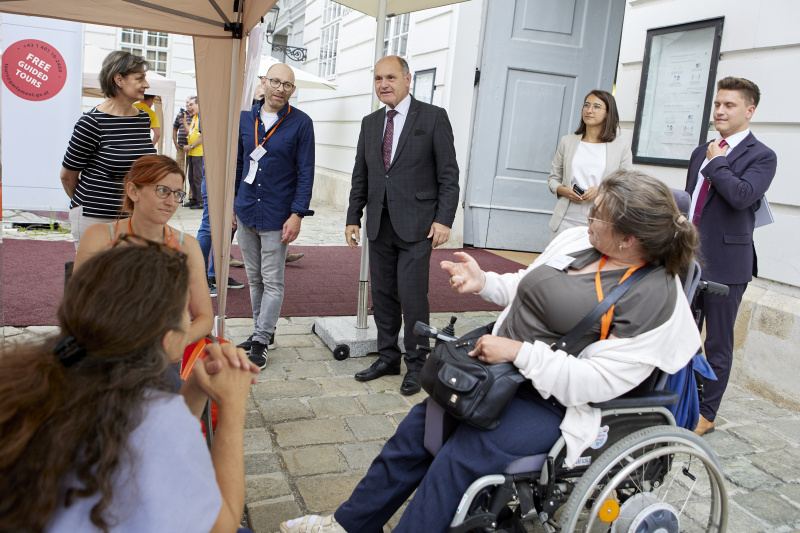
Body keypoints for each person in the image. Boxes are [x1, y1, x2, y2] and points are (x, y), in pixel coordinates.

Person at [281, 170, 701, 533]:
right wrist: (484, 283)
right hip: (501, 372)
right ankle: (347, 525)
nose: (588, 216)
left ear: (629, 240)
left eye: (599, 215)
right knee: (418, 431)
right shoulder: (580, 242)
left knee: (460, 457)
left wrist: (519, 353)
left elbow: (594, 383)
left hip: (554, 401)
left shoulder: (656, 300)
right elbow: (528, 285)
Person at [0, 244, 259, 533]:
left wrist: (197, 386)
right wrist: (233, 410)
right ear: (166, 339)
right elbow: (221, 525)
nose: (190, 321)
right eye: (184, 314)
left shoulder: (44, 376)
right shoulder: (150, 416)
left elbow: (164, 447)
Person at [345, 55, 460, 396]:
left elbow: (449, 176)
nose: (384, 84)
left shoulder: (434, 117)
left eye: (391, 77)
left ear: (408, 79)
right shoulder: (369, 123)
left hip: (418, 226)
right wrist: (354, 215)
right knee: (382, 296)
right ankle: (387, 357)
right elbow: (360, 175)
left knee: (412, 298)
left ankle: (418, 363)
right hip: (379, 224)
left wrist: (444, 219)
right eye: (379, 78)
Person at [685, 77, 777, 436]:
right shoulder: (701, 151)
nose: (720, 111)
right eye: (718, 104)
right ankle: (678, 399)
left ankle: (706, 414)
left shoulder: (761, 155)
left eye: (730, 105)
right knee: (682, 335)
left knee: (717, 343)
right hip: (687, 260)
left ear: (749, 110)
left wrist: (718, 163)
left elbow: (741, 196)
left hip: (727, 265)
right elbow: (693, 202)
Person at [74, 155, 214, 345]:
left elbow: (205, 317)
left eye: (177, 194)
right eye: (163, 191)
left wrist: (179, 341)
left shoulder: (188, 246)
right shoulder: (100, 236)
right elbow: (78, 306)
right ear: (133, 191)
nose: (171, 201)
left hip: (161, 356)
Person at [234, 62, 315, 368]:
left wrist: (297, 214)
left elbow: (306, 173)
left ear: (292, 91)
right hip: (246, 210)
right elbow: (240, 164)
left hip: (277, 213)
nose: (281, 89)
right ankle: (262, 334)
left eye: (287, 85)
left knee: (273, 280)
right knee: (254, 278)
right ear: (264, 83)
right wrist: (232, 203)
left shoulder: (301, 123)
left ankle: (261, 337)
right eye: (276, 82)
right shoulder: (245, 119)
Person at [61, 51, 157, 248]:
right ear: (118, 79)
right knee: (97, 278)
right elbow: (67, 176)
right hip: (94, 219)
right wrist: (91, 204)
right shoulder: (91, 123)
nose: (146, 85)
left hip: (133, 218)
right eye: (140, 78)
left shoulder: (142, 119)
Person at [548, 89, 632, 240]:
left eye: (596, 106)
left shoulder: (621, 145)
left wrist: (601, 190)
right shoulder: (567, 141)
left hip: (601, 219)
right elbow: (553, 179)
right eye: (586, 105)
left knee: (591, 264)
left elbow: (626, 185)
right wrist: (564, 191)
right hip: (565, 219)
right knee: (558, 262)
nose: (589, 110)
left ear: (608, 113)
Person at [197, 165, 245, 297]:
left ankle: (216, 275)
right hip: (215, 173)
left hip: (233, 176)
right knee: (209, 225)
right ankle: (200, 278)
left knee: (229, 225)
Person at [181, 96, 203, 209]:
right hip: (192, 153)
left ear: (198, 104)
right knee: (192, 177)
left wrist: (191, 146)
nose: (189, 107)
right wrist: (184, 120)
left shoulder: (202, 117)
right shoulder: (194, 117)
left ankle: (200, 201)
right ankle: (194, 199)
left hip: (199, 153)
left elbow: (203, 136)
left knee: (198, 178)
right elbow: (189, 132)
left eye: (191, 105)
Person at [173, 99, 193, 175]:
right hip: (180, 146)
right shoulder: (180, 115)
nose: (188, 105)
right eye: (187, 103)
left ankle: (190, 187)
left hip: (191, 147)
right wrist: (175, 142)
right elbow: (174, 129)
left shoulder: (196, 116)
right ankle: (180, 186)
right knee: (179, 168)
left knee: (191, 170)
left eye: (190, 103)